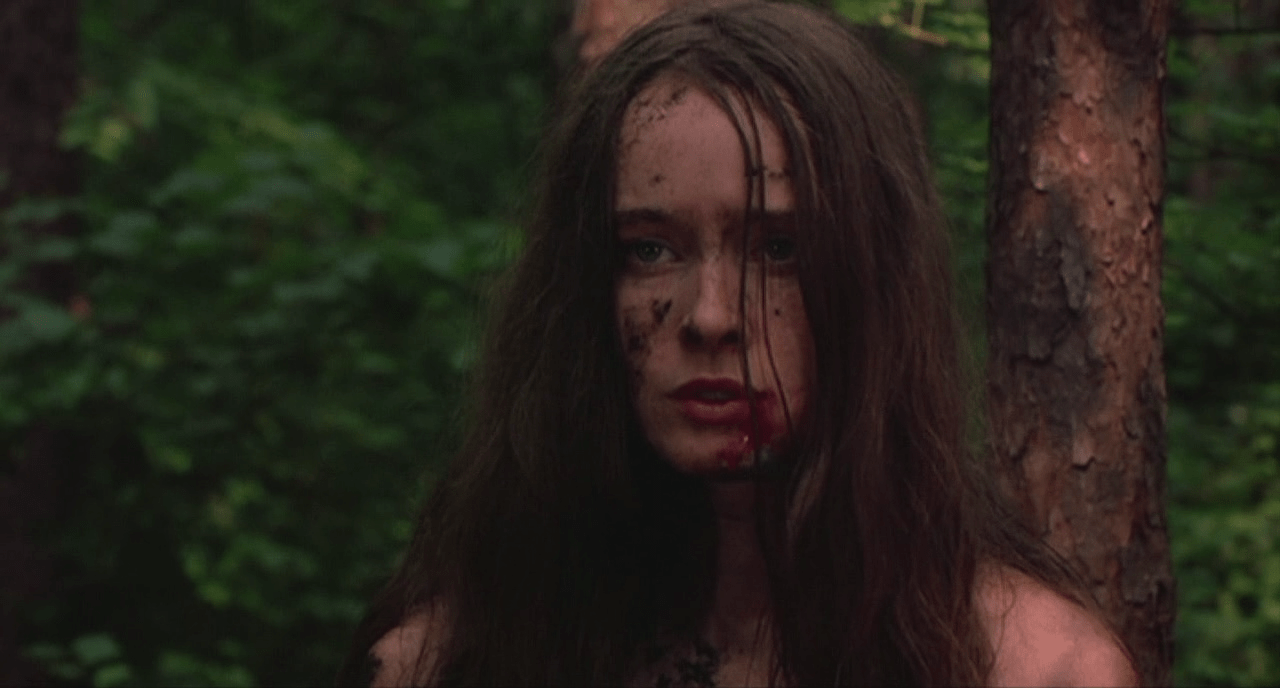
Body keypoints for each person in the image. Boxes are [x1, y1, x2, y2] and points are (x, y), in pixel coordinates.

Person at [337, 2, 1140, 685]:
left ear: (872, 283)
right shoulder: (446, 665)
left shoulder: (1034, 669)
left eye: (780, 249)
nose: (712, 317)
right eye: (650, 249)